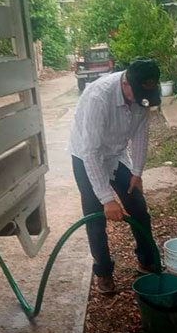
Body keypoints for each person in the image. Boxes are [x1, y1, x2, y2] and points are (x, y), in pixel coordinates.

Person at [69, 59, 163, 295]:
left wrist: (137, 172)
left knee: (138, 206)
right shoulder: (98, 97)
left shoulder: (143, 94)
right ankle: (104, 272)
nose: (139, 100)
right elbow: (90, 152)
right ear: (126, 83)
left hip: (116, 153)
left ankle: (146, 259)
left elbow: (141, 133)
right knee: (94, 215)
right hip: (86, 155)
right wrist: (106, 199)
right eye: (137, 93)